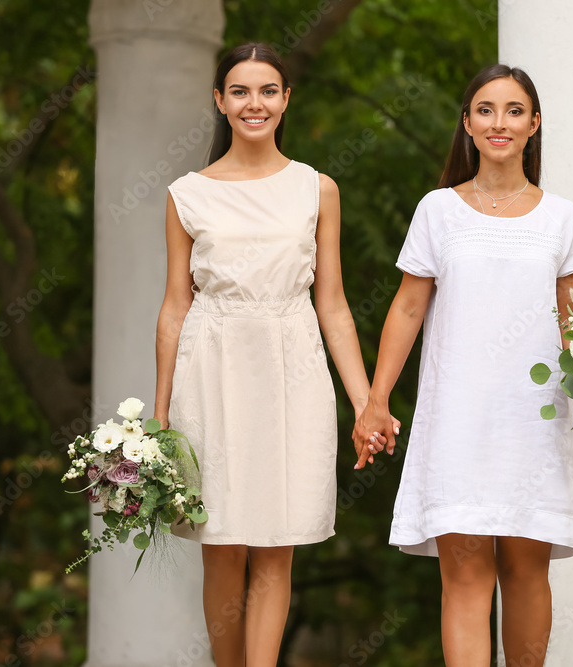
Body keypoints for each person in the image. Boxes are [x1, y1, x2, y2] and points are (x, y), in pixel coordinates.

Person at [353, 64, 573, 666]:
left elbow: (571, 319)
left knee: (527, 571)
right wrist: (376, 399)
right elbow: (406, 308)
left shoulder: (562, 217)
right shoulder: (437, 210)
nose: (499, 122)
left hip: (534, 419)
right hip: (456, 418)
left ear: (533, 125)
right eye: (485, 110)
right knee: (467, 576)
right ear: (468, 125)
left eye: (513, 110)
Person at [153, 42, 395, 667]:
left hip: (292, 366)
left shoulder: (317, 188)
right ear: (219, 101)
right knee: (222, 544)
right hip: (212, 369)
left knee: (277, 543)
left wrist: (367, 403)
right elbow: (176, 305)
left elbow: (334, 305)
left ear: (287, 100)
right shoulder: (186, 194)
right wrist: (159, 416)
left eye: (267, 91)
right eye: (239, 91)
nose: (253, 103)